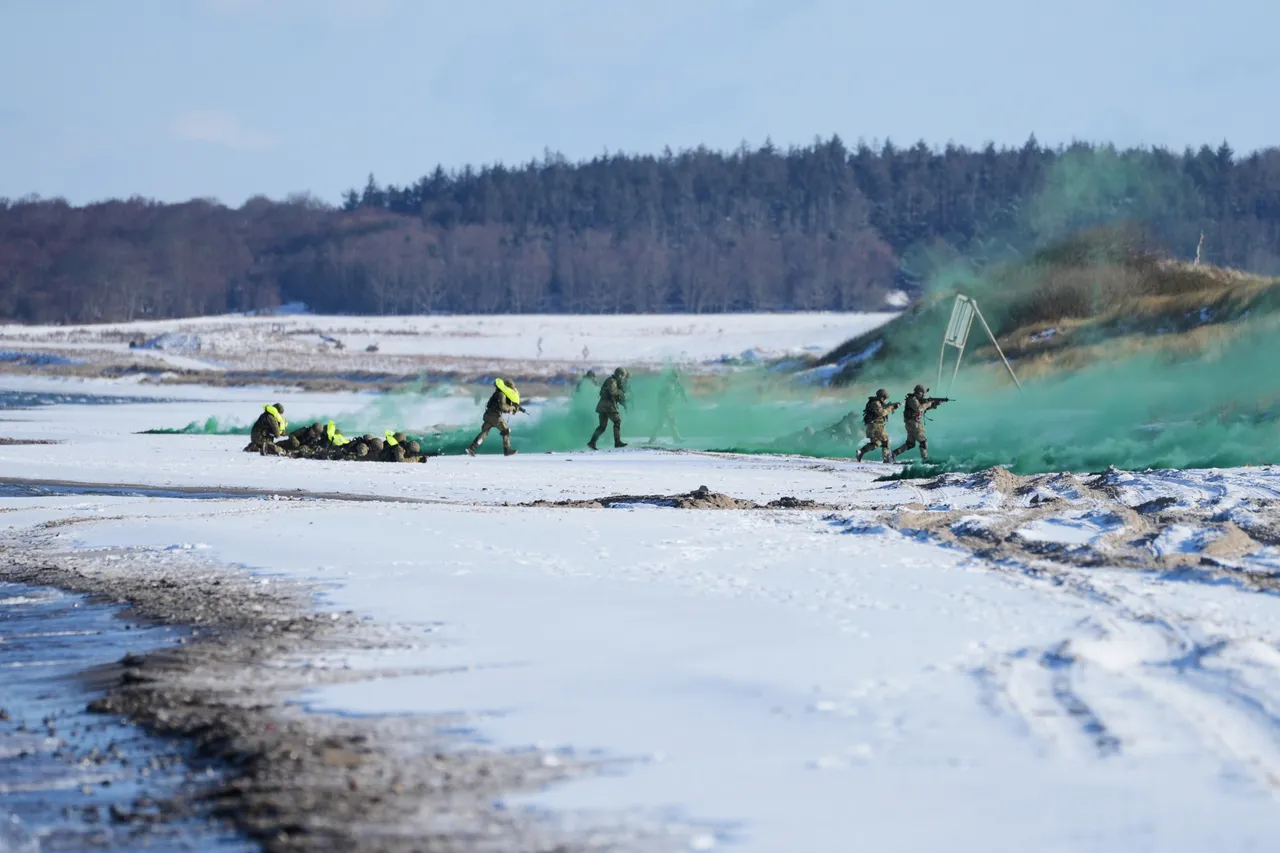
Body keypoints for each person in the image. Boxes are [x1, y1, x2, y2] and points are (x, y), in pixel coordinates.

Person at [467, 378, 522, 457]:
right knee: (506, 430)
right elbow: (502, 406)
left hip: (488, 415)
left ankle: (471, 448)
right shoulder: (502, 394)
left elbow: (499, 407)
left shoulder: (497, 394)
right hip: (494, 416)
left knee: (484, 432)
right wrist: (513, 408)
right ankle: (507, 450)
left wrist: (511, 409)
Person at [892, 384, 945, 462]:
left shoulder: (916, 399)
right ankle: (925, 459)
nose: (925, 394)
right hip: (913, 423)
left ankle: (893, 454)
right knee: (923, 441)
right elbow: (919, 408)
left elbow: (923, 408)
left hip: (912, 423)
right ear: (920, 392)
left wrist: (935, 404)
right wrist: (929, 403)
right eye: (923, 392)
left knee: (910, 443)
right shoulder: (912, 399)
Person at [589, 368, 629, 449]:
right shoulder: (612, 381)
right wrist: (621, 393)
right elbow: (613, 392)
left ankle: (592, 442)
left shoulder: (614, 381)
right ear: (619, 374)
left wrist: (623, 402)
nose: (622, 378)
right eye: (622, 376)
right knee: (617, 421)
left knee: (602, 426)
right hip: (608, 405)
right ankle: (617, 442)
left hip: (604, 405)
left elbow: (615, 395)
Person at [855, 389, 898, 463]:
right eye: (884, 398)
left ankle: (861, 452)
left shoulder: (876, 402)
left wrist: (892, 406)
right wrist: (891, 408)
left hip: (872, 426)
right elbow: (881, 413)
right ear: (882, 396)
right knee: (886, 440)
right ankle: (886, 459)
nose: (885, 400)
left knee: (876, 443)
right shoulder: (876, 403)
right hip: (876, 426)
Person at [648, 368, 688, 444]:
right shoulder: (668, 385)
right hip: (665, 407)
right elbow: (668, 397)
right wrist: (677, 395)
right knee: (663, 424)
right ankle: (652, 439)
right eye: (676, 377)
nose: (677, 379)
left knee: (667, 423)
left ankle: (653, 439)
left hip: (667, 407)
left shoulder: (672, 384)